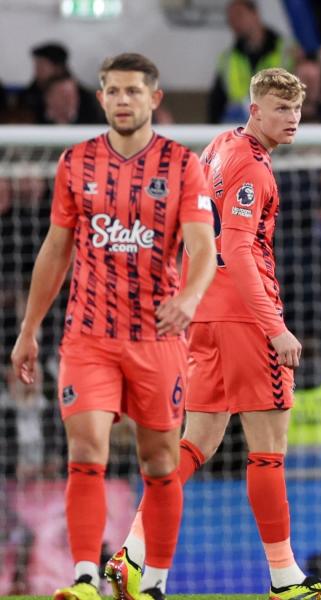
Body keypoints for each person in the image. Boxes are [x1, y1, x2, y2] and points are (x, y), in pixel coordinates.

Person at [108, 68, 321, 600]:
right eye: (279, 109)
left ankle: (134, 558)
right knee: (268, 451)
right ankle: (286, 580)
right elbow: (237, 249)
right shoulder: (255, 172)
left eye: (295, 109)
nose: (291, 119)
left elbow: (189, 219)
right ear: (254, 110)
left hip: (205, 316)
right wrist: (276, 328)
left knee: (196, 444)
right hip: (245, 317)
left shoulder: (219, 146)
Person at [8, 53, 218, 600]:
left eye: (133, 91)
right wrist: (29, 328)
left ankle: (153, 583)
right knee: (86, 450)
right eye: (113, 91)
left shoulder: (183, 165)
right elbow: (56, 250)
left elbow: (202, 247)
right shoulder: (75, 163)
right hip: (89, 336)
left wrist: (191, 299)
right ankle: (83, 578)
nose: (123, 100)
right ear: (100, 99)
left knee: (161, 462)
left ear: (155, 97)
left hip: (157, 337)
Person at [209, 0, 298, 123]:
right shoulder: (228, 57)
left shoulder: (287, 50)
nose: (235, 23)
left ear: (255, 14)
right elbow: (216, 102)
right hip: (238, 124)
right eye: (231, 19)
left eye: (239, 15)